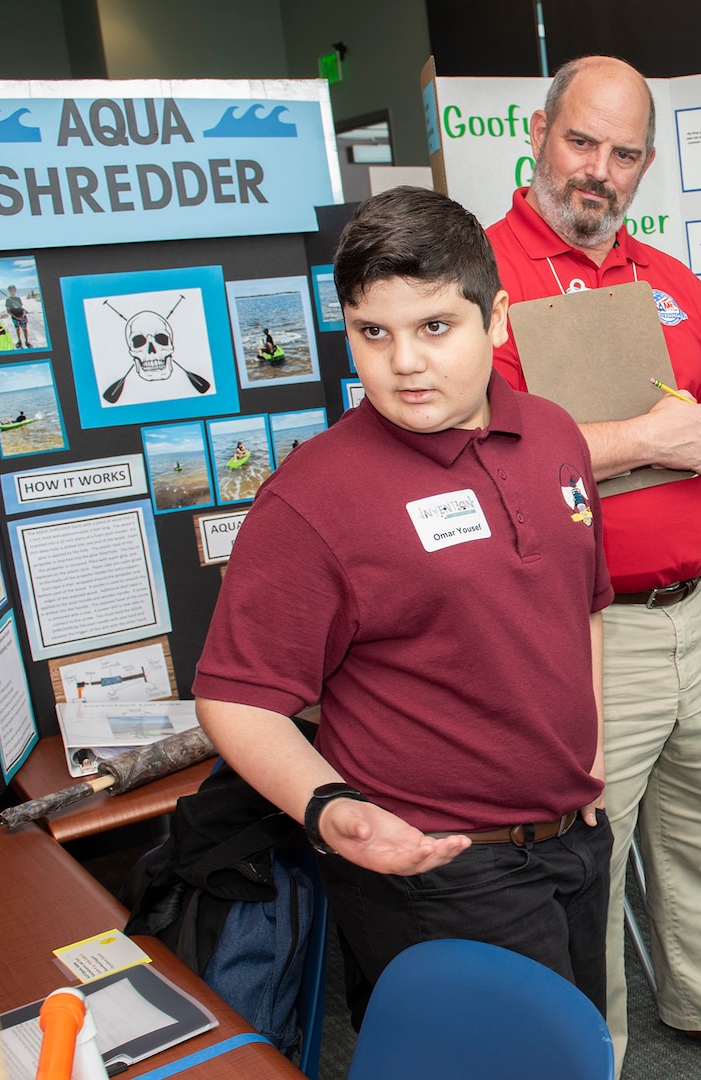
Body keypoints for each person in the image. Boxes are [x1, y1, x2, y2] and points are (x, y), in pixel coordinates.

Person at [193, 186, 613, 1024]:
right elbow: (235, 696)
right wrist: (327, 804)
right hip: (437, 868)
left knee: (576, 1045)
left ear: (497, 320)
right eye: (371, 333)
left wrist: (590, 765)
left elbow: (583, 610)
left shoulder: (558, 435)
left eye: (434, 327)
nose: (404, 362)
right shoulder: (314, 496)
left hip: (573, 837)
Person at [485, 57, 701, 1075]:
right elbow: (492, 455)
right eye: (582, 142)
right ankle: (594, 1051)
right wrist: (648, 441)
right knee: (589, 863)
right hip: (589, 633)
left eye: (624, 155)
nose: (599, 172)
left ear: (647, 166)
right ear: (538, 132)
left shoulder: (667, 278)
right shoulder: (480, 275)